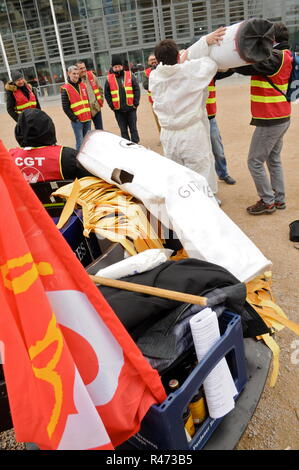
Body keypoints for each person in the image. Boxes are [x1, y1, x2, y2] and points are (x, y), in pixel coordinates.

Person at [149, 28, 226, 195]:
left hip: (168, 136)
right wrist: (205, 41)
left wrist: (186, 55)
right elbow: (210, 63)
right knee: (201, 174)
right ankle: (207, 207)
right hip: (191, 134)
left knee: (177, 178)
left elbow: (174, 66)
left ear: (158, 60)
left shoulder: (154, 77)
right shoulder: (190, 70)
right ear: (178, 57)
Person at [234, 23, 292, 215]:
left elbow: (245, 68)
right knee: (273, 159)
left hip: (271, 118)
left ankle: (267, 201)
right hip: (282, 115)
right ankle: (279, 198)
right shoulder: (287, 55)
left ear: (271, 39)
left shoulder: (274, 57)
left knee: (254, 161)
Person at [8, 108, 92, 183]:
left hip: (23, 200)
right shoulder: (66, 156)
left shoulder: (8, 158)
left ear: (19, 132)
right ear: (49, 128)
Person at [207, 72, 236, 185]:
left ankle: (223, 174)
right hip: (195, 121)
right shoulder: (189, 74)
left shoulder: (211, 74)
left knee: (218, 150)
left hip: (210, 119)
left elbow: (227, 71)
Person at [104, 55, 140, 143]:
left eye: (119, 66)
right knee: (123, 130)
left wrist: (136, 102)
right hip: (118, 110)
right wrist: (111, 105)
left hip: (131, 108)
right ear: (112, 67)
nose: (117, 68)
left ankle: (136, 144)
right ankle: (126, 145)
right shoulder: (109, 79)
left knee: (133, 129)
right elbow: (107, 94)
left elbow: (136, 89)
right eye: (115, 67)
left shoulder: (129, 75)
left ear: (122, 66)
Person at [61, 65, 92, 151]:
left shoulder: (83, 86)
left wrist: (89, 115)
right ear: (69, 74)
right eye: (74, 74)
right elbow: (65, 107)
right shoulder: (65, 88)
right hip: (77, 121)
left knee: (87, 142)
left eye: (77, 74)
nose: (76, 76)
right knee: (80, 142)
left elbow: (87, 101)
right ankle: (79, 162)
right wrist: (74, 119)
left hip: (87, 119)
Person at [75, 61, 104, 130]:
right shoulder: (75, 81)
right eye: (81, 68)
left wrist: (99, 103)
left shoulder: (91, 76)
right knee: (87, 134)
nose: (83, 70)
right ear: (77, 70)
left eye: (84, 67)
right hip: (84, 112)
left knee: (100, 131)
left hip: (95, 108)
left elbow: (100, 89)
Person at [142, 54, 161, 133]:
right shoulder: (146, 72)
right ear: (148, 62)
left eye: (154, 59)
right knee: (158, 120)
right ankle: (162, 136)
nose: (153, 61)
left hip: (165, 97)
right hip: (153, 101)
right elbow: (145, 85)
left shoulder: (163, 68)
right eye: (151, 60)